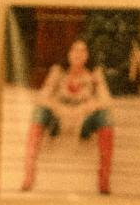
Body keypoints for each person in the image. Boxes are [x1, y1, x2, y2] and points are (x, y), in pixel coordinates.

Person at [20, 38, 115, 194]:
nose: (79, 54)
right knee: (39, 111)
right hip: (58, 120)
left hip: (83, 122)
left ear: (88, 55)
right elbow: (42, 97)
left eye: (83, 50)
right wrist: (59, 108)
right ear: (68, 53)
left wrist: (86, 108)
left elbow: (107, 100)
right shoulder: (58, 71)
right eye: (75, 50)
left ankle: (104, 179)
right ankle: (29, 174)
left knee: (105, 116)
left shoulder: (94, 73)